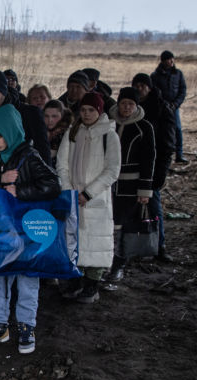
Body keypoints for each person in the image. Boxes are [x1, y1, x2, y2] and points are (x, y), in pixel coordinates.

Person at [0, 105, 61, 354]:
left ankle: (26, 326)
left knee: (27, 277)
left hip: (27, 229)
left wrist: (20, 191)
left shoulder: (29, 156)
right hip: (2, 228)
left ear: (11, 131)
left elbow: (53, 185)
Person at [56, 92, 120, 304]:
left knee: (96, 241)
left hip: (96, 199)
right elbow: (62, 164)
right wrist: (69, 191)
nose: (86, 114)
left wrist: (89, 193)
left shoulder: (109, 135)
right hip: (74, 196)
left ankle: (92, 284)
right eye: (83, 110)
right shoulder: (73, 132)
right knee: (76, 240)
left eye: (91, 110)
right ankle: (76, 280)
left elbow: (112, 170)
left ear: (99, 111)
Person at [107, 87, 156, 281]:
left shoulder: (144, 127)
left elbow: (149, 159)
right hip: (107, 183)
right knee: (108, 223)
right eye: (123, 103)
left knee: (124, 225)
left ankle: (119, 263)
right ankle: (105, 261)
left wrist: (145, 189)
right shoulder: (108, 123)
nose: (126, 107)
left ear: (137, 106)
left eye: (131, 104)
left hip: (130, 185)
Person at [132, 72, 176, 262]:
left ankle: (159, 246)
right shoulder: (130, 107)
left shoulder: (161, 108)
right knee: (133, 210)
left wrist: (160, 173)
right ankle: (136, 247)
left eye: (143, 85)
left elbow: (167, 144)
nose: (139, 88)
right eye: (136, 85)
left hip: (153, 168)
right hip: (132, 167)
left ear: (149, 88)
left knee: (154, 207)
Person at [151, 50, 187, 163]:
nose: (171, 61)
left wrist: (175, 104)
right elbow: (153, 92)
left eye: (172, 58)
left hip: (174, 108)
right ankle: (161, 155)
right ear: (163, 61)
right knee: (160, 131)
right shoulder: (155, 75)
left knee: (177, 129)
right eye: (169, 59)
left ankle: (179, 155)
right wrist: (163, 104)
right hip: (160, 109)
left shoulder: (178, 74)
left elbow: (182, 90)